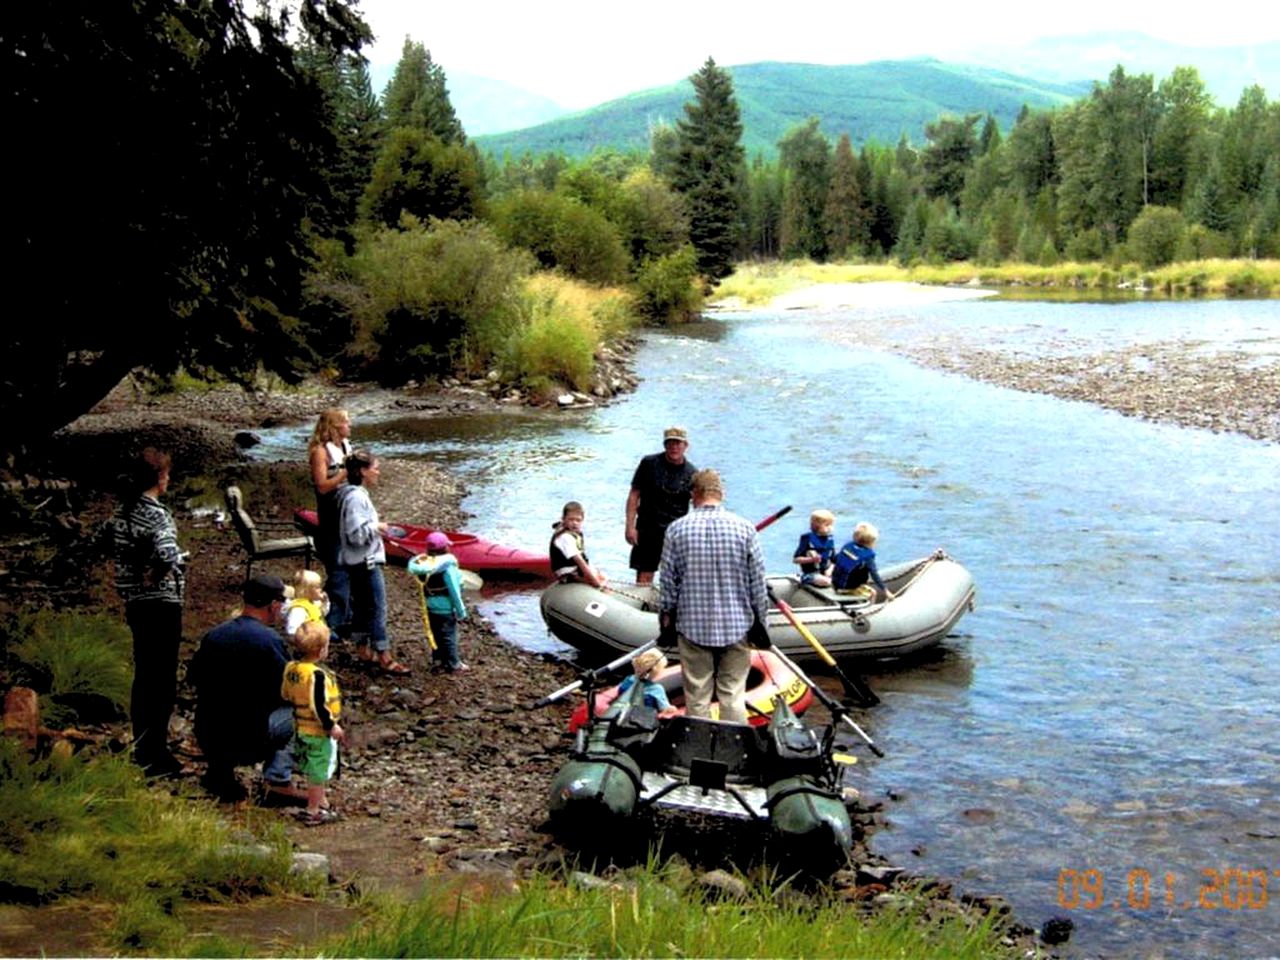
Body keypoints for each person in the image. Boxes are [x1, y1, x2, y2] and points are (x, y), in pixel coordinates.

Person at [657, 469, 769, 725]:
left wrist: (666, 621)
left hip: (692, 625)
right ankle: (732, 749)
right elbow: (757, 584)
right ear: (721, 493)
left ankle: (699, 750)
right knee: (732, 695)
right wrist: (761, 624)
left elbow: (667, 584)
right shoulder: (745, 529)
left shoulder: (676, 530)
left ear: (693, 494)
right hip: (736, 624)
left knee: (697, 695)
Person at [109, 446, 186, 778]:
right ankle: (157, 754)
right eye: (166, 474)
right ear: (159, 477)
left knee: (143, 677)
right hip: (161, 603)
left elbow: (100, 541)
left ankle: (143, 746)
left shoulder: (121, 513)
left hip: (135, 603)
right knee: (162, 680)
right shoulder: (156, 513)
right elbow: (167, 553)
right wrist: (156, 574)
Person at [190, 573, 301, 804]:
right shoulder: (269, 640)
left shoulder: (215, 634)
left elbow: (194, 677)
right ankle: (277, 782)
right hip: (249, 738)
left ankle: (219, 772)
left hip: (208, 732)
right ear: (273, 605)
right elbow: (290, 688)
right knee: (307, 714)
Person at [336, 450, 410, 675]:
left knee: (361, 606)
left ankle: (362, 650)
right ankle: (384, 656)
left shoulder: (350, 495)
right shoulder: (356, 498)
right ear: (362, 472)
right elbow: (355, 535)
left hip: (355, 561)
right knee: (377, 608)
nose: (378, 472)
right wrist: (379, 527)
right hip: (365, 561)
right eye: (375, 468)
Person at [281, 620, 344, 825]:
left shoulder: (292, 668)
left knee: (310, 766)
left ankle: (321, 801)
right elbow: (318, 704)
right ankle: (313, 808)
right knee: (318, 769)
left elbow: (285, 694)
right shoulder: (316, 675)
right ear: (321, 650)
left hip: (299, 726)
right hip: (317, 731)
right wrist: (330, 725)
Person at [625, 426, 696, 585]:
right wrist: (630, 526)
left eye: (678, 443)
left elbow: (698, 503)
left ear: (685, 446)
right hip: (647, 529)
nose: (674, 447)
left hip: (676, 532)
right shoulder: (649, 463)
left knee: (675, 576)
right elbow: (634, 494)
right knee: (644, 576)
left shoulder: (692, 473)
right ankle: (642, 602)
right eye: (670, 443)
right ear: (664, 445)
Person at [307, 408, 352, 638]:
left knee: (351, 569)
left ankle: (345, 617)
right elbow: (322, 486)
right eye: (345, 422)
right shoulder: (320, 452)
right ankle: (329, 622)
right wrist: (345, 472)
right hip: (331, 519)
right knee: (338, 572)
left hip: (349, 517)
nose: (350, 426)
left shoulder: (345, 447)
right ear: (334, 427)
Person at [407, 531, 469, 674]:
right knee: (449, 637)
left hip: (429, 608)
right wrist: (461, 611)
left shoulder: (424, 566)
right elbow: (454, 590)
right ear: (446, 549)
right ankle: (454, 664)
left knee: (435, 635)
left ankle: (438, 662)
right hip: (446, 609)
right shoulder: (449, 568)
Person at [549, 500, 608, 588]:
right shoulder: (565, 537)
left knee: (602, 575)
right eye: (571, 519)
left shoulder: (574, 534)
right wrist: (596, 583)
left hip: (574, 570)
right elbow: (579, 560)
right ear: (563, 519)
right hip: (568, 574)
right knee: (600, 580)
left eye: (578, 520)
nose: (575, 523)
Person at [832, 521, 895, 601]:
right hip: (848, 588)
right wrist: (886, 591)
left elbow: (835, 559)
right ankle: (868, 609)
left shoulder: (848, 546)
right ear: (872, 542)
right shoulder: (868, 556)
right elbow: (874, 575)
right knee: (872, 593)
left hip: (835, 583)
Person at [614, 648, 678, 717]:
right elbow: (665, 709)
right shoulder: (656, 689)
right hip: (642, 721)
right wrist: (672, 709)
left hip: (621, 716)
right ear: (657, 670)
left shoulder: (627, 679)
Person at [282, 569, 329, 642]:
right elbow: (292, 631)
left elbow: (322, 614)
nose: (320, 590)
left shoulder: (314, 603)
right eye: (317, 587)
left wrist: (325, 602)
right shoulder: (298, 610)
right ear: (306, 591)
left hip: (318, 637)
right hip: (308, 642)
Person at [793, 508, 837, 587]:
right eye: (827, 525)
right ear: (816, 525)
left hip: (825, 572)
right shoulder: (807, 538)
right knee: (826, 581)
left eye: (831, 525)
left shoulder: (830, 539)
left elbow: (834, 561)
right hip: (811, 574)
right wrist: (811, 560)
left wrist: (830, 570)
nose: (831, 528)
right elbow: (796, 560)